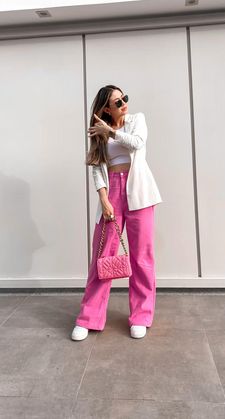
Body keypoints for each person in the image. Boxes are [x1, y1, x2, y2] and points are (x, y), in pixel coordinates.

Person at [71, 84, 163, 341]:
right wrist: (103, 197)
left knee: (142, 257)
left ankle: (141, 316)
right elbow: (96, 166)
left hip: (140, 193)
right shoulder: (98, 130)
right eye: (117, 102)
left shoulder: (136, 120)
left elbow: (137, 144)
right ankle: (88, 317)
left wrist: (110, 132)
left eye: (124, 98)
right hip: (111, 190)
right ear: (105, 108)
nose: (124, 104)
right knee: (102, 255)